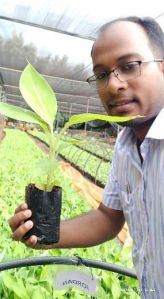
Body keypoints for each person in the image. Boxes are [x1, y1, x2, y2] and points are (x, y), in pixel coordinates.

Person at [9, 16, 164, 298]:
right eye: (102, 74)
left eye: (129, 66)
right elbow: (109, 218)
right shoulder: (125, 145)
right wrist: (44, 235)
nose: (113, 85)